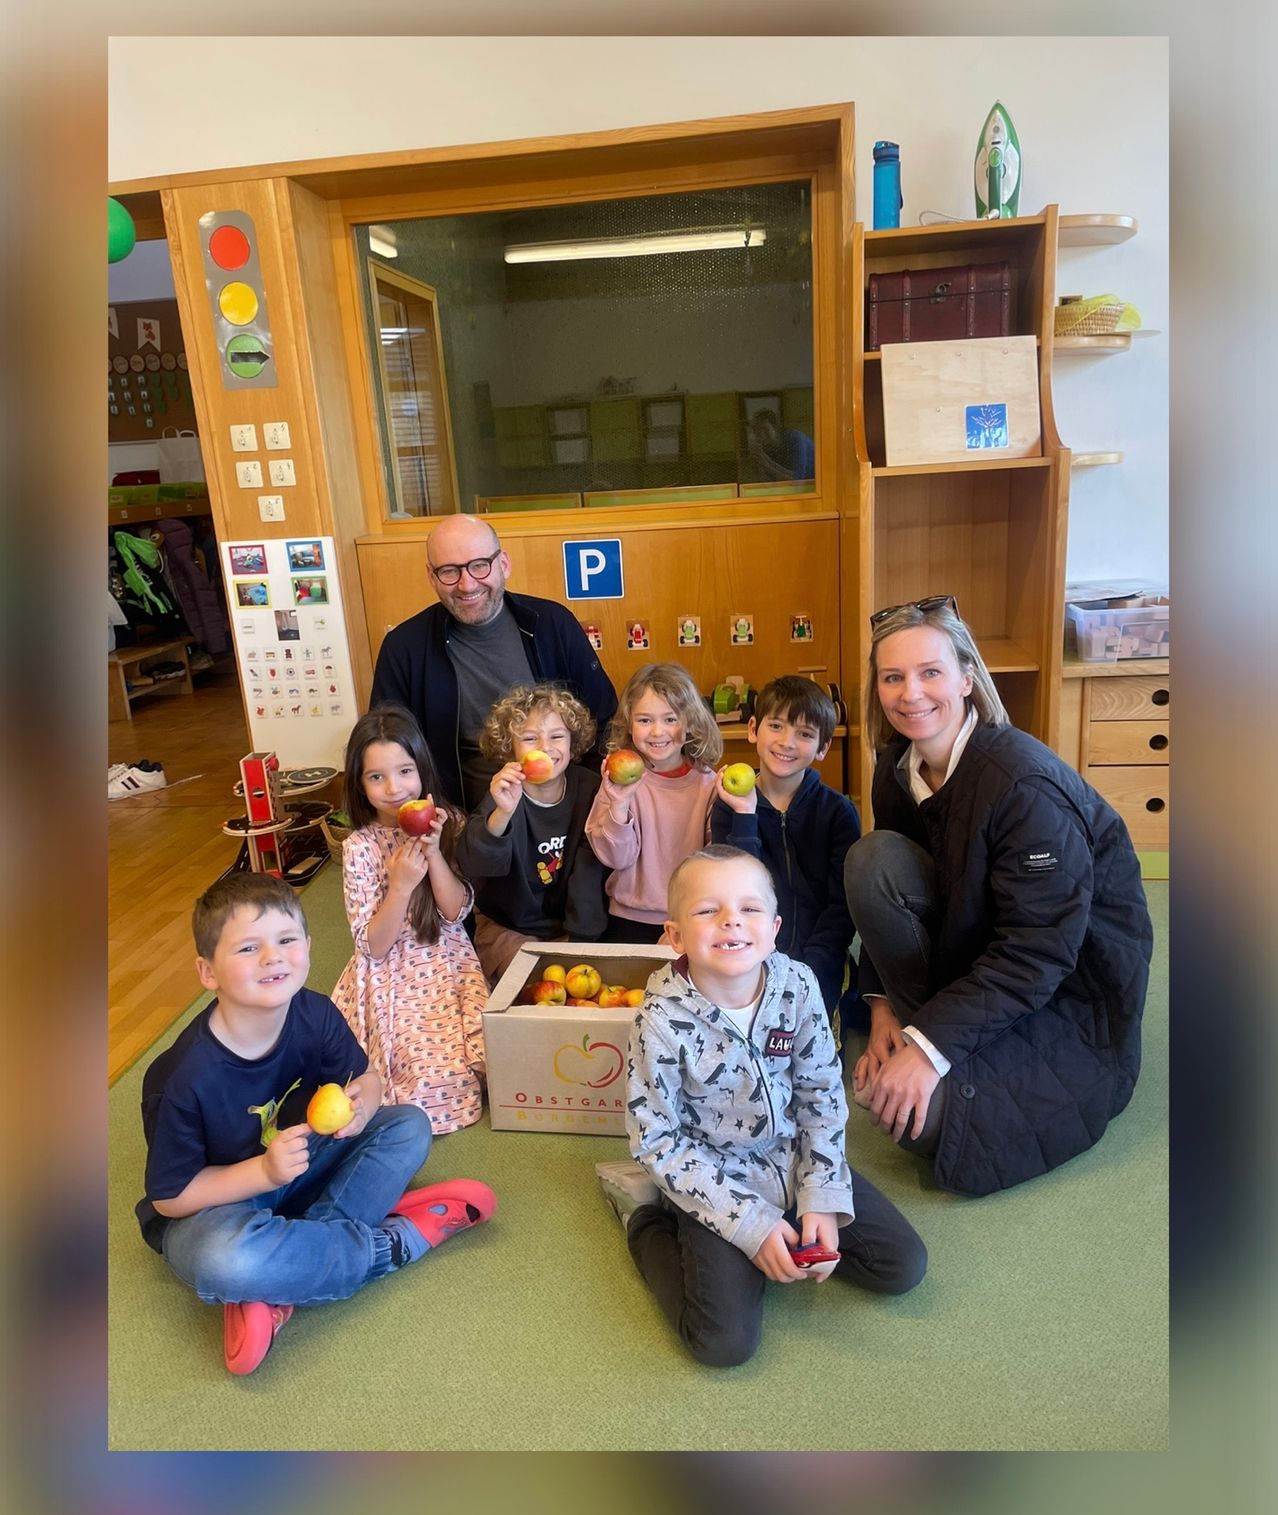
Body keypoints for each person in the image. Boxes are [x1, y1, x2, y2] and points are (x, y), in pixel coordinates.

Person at [842, 595, 1152, 1198]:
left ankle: (930, 1044)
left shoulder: (1023, 783)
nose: (911, 693)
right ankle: (923, 1033)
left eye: (930, 672)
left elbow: (1039, 953)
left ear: (966, 678)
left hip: (1064, 982)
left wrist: (925, 1052)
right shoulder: (896, 767)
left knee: (925, 1125)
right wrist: (884, 1010)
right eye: (892, 677)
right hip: (978, 939)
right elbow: (895, 887)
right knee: (872, 861)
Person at [135, 873, 496, 1376]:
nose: (273, 957)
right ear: (207, 971)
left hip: (305, 1165)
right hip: (222, 1205)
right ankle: (389, 1246)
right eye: (248, 948)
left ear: (307, 945)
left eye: (286, 940)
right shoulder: (183, 1077)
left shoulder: (315, 1013)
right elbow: (171, 1199)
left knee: (409, 1126)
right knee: (224, 1261)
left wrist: (363, 1106)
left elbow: (367, 1080)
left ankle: (282, 1280)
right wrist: (264, 1173)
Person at [596, 845, 927, 1368]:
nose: (731, 920)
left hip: (792, 1160)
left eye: (749, 908)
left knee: (903, 1266)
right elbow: (656, 1140)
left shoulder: (797, 985)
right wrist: (750, 1226)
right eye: (708, 910)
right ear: (675, 936)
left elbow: (821, 1093)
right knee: (722, 1344)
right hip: (711, 1179)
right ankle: (645, 1221)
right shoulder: (658, 1021)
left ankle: (783, 1227)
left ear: (774, 929)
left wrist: (821, 1195)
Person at [368, 515, 618, 811]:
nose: (466, 584)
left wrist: (588, 802)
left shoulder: (552, 624)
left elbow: (605, 720)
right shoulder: (404, 647)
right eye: (449, 571)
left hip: (564, 810)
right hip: (460, 818)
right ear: (431, 576)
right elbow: (385, 746)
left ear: (503, 564)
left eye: (479, 565)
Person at [330, 706, 488, 1134]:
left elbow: (455, 913)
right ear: (359, 785)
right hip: (390, 973)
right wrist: (399, 886)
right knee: (410, 1072)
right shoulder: (359, 847)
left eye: (404, 771)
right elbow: (373, 946)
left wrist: (434, 853)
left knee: (483, 1055)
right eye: (376, 777)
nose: (394, 788)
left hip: (446, 960)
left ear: (422, 770)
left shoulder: (448, 823)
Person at [710, 675, 865, 1044]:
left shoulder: (838, 812)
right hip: (749, 958)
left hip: (819, 962)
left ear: (823, 747)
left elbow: (842, 904)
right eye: (776, 726)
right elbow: (735, 890)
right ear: (753, 729)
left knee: (813, 1051)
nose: (787, 742)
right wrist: (746, 816)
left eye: (805, 734)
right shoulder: (729, 806)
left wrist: (812, 966)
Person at [454, 683, 609, 984]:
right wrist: (502, 813)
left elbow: (590, 873)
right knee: (533, 983)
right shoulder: (503, 791)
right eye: (529, 738)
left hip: (572, 925)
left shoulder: (589, 789)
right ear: (509, 748)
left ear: (572, 742)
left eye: (556, 736)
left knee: (577, 984)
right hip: (507, 926)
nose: (544, 747)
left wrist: (581, 940)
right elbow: (475, 866)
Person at [585, 661, 722, 944]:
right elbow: (615, 858)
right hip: (628, 921)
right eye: (645, 720)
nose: (658, 732)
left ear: (690, 722)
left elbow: (716, 862)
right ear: (629, 724)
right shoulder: (617, 783)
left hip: (691, 918)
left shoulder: (708, 783)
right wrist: (619, 805)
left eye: (670, 719)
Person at [747, 408, 816, 482]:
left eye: (765, 429)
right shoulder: (766, 446)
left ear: (776, 428)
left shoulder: (795, 439)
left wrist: (766, 464)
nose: (761, 434)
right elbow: (766, 479)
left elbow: (797, 480)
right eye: (757, 430)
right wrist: (760, 461)